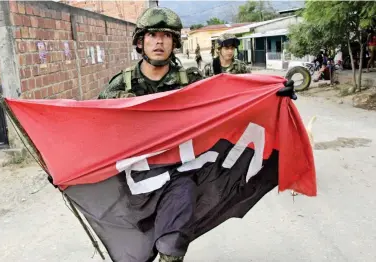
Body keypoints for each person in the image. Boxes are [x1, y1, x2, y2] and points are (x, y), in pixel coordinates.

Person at [98, 7, 297, 262]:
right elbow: (95, 129)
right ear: (140, 40)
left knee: (171, 247)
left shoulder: (190, 81)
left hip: (179, 175)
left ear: (174, 42)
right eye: (152, 35)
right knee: (138, 250)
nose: (159, 41)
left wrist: (272, 93)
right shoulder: (118, 86)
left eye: (166, 36)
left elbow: (227, 103)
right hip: (136, 179)